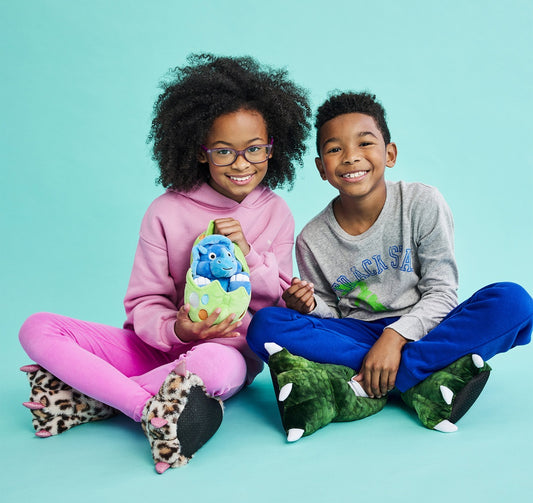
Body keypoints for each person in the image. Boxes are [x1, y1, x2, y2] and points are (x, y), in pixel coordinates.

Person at [18, 53, 311, 472]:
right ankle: (142, 407)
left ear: (272, 147)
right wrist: (178, 329)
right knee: (38, 327)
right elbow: (144, 302)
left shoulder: (276, 213)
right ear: (200, 152)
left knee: (211, 368)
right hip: (154, 347)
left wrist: (246, 254)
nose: (241, 163)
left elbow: (273, 307)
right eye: (224, 151)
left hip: (224, 352)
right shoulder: (165, 211)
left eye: (254, 150)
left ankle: (90, 396)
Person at [246, 91, 533, 440]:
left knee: (513, 302)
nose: (351, 157)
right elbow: (332, 315)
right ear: (321, 168)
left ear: (390, 154)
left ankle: (384, 376)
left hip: (427, 326)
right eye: (335, 149)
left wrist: (395, 338)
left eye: (365, 143)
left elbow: (442, 293)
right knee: (265, 324)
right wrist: (309, 306)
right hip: (358, 333)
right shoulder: (312, 238)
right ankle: (418, 376)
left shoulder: (422, 202)